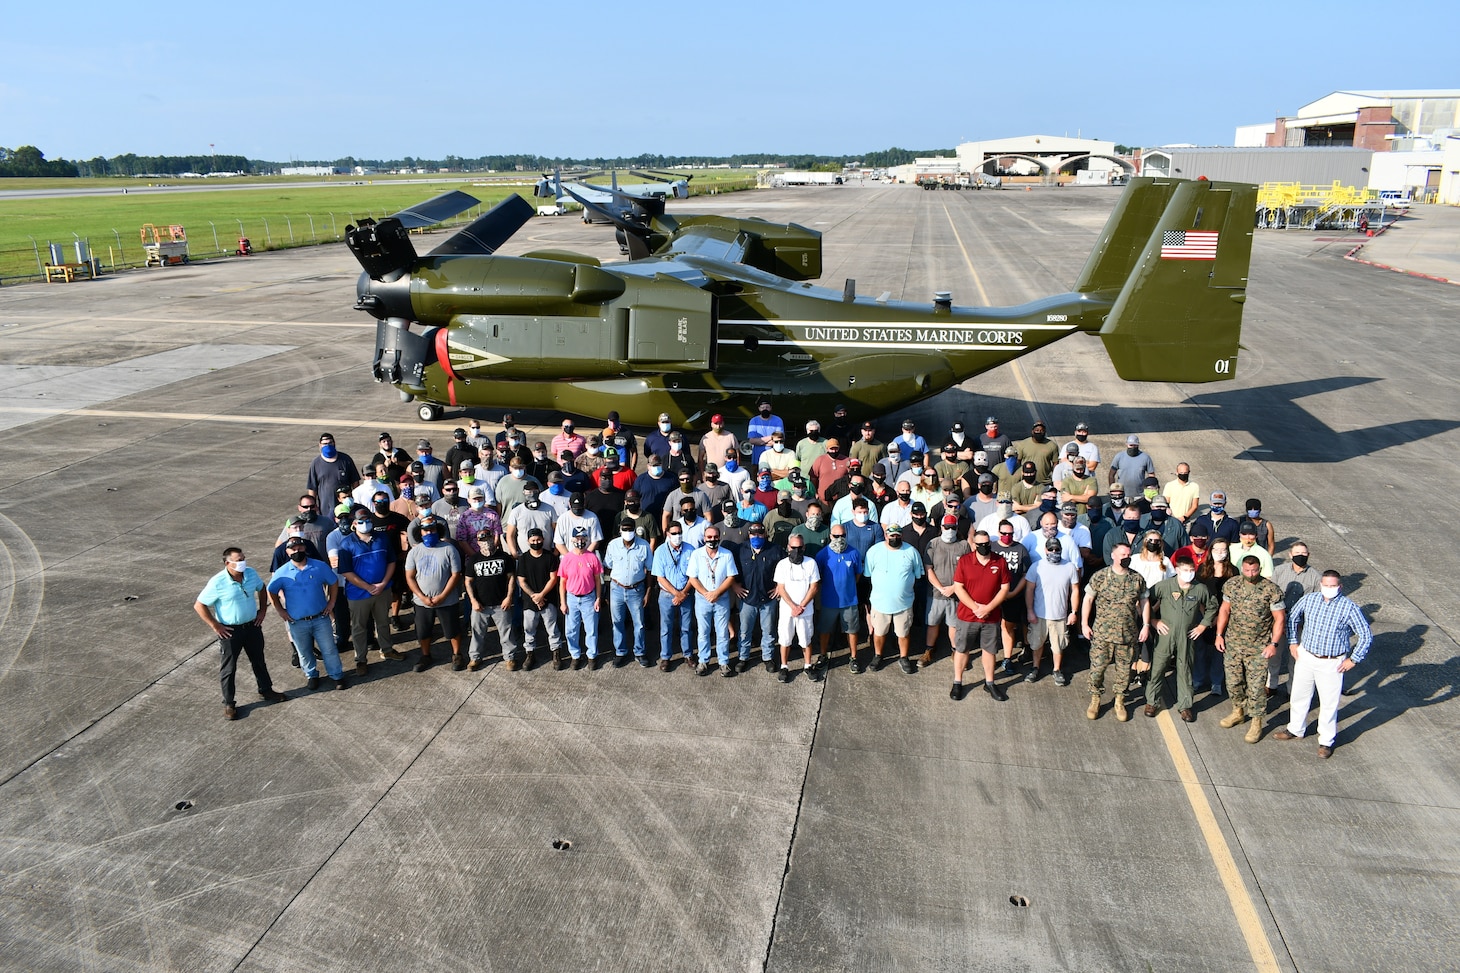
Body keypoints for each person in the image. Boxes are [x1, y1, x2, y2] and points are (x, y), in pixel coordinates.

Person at [1272, 572, 1373, 758]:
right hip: (1307, 656)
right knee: (1299, 695)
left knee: (1329, 703)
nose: (1329, 589)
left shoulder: (1349, 608)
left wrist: (1354, 659)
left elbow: (1365, 635)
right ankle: (1295, 729)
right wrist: (1293, 642)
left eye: (1333, 586)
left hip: (1331, 662)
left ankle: (1326, 741)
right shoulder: (1309, 600)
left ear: (1340, 587)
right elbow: (1293, 617)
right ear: (1320, 584)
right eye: (1326, 585)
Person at [195, 547, 286, 720]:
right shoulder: (217, 582)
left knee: (258, 660)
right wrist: (216, 626)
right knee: (229, 668)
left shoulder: (250, 574)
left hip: (252, 627)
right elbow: (199, 605)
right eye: (239, 560)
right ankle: (229, 703)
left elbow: (261, 588)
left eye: (244, 558)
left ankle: (266, 690)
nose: (243, 562)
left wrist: (262, 612)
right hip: (230, 631)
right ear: (228, 563)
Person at [1214, 556, 1286, 743]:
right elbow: (1224, 610)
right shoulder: (1232, 585)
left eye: (1254, 571)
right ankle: (1238, 711)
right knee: (1233, 682)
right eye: (1247, 570)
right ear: (1242, 568)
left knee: (1256, 688)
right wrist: (1219, 634)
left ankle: (1256, 722)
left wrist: (1274, 644)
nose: (1250, 574)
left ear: (1259, 569)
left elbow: (1279, 619)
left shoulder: (1271, 590)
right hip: (1233, 644)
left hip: (1258, 648)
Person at [1081, 541, 1149, 721]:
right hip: (1102, 634)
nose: (1126, 557)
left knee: (1124, 671)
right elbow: (1088, 600)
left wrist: (1146, 624)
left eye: (1128, 555)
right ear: (1113, 556)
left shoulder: (1137, 579)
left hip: (1127, 634)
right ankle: (1095, 699)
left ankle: (1120, 700)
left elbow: (1144, 602)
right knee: (1097, 669)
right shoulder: (1100, 577)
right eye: (1122, 554)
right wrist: (1084, 624)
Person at [267, 537, 346, 691]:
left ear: (304, 548)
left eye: (299, 548)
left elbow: (333, 582)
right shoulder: (282, 572)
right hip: (297, 621)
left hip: (320, 618)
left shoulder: (319, 566)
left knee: (329, 649)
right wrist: (280, 610)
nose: (297, 551)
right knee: (304, 652)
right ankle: (311, 675)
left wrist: (331, 603)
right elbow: (271, 590)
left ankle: (337, 676)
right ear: (288, 551)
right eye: (293, 549)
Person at [1143, 554, 1215, 722]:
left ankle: (1185, 706)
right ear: (1177, 570)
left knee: (1185, 670)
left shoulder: (1200, 589)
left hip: (1187, 636)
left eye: (1191, 570)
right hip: (1165, 634)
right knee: (1158, 668)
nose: (1189, 573)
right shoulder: (1165, 586)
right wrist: (1153, 620)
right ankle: (1152, 702)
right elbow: (1145, 599)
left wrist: (1203, 625)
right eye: (1185, 570)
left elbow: (1212, 606)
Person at [336, 511, 404, 675]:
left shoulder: (382, 538)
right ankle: (361, 660)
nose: (365, 523)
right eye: (361, 521)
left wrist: (384, 583)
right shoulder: (346, 544)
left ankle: (386, 649)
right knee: (359, 628)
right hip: (358, 594)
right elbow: (346, 572)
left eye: (367, 520)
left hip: (382, 590)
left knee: (383, 622)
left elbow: (391, 561)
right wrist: (367, 587)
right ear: (354, 524)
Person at [950, 530, 1011, 701]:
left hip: (991, 617)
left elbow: (1004, 588)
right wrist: (976, 608)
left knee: (989, 650)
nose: (984, 547)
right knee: (962, 649)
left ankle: (990, 683)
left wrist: (989, 608)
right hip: (967, 616)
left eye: (986, 544)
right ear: (974, 545)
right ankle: (957, 682)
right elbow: (958, 587)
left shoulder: (999, 561)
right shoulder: (965, 561)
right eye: (980, 545)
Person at [405, 515, 464, 672]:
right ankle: (425, 655)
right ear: (420, 533)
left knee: (453, 630)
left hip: (447, 600)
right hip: (421, 601)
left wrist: (443, 595)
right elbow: (410, 577)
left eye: (432, 529)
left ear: (438, 531)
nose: (429, 533)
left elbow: (455, 574)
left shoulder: (449, 549)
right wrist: (422, 597)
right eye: (426, 531)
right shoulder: (414, 552)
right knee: (423, 631)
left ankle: (457, 654)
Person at [1025, 535, 1080, 685]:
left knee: (1058, 645)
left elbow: (1075, 590)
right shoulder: (1036, 566)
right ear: (1045, 550)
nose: (1054, 551)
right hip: (1039, 615)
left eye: (1057, 549)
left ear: (1061, 550)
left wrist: (1073, 612)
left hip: (1060, 616)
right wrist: (1030, 611)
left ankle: (1057, 670)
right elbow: (1029, 590)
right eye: (1051, 549)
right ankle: (1035, 667)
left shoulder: (1069, 567)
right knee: (1036, 643)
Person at [1269, 541, 1321, 695]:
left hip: (1300, 625)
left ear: (1308, 555)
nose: (1300, 556)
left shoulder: (1316, 577)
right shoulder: (1279, 571)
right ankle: (1271, 685)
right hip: (1278, 621)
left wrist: (1301, 623)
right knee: (1274, 655)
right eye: (1297, 553)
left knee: (1296, 660)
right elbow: (1271, 596)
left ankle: (1292, 690)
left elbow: (1316, 605)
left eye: (1304, 554)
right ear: (1290, 555)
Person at [465, 529, 520, 671]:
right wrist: (473, 600)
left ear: (493, 539)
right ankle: (475, 658)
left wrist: (509, 597)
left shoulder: (505, 557)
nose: (486, 543)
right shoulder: (474, 559)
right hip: (480, 605)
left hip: (501, 603)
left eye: (488, 539)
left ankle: (510, 658)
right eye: (482, 540)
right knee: (477, 633)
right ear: (478, 542)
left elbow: (511, 578)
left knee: (506, 632)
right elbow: (468, 581)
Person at [688, 525, 739, 675]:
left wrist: (716, 593)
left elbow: (731, 577)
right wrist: (706, 594)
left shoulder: (727, 554)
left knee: (722, 632)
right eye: (709, 537)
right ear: (704, 538)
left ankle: (723, 662)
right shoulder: (697, 554)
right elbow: (692, 578)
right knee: (703, 632)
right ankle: (703, 661)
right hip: (703, 600)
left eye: (715, 537)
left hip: (721, 599)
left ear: (719, 537)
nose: (712, 540)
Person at [602, 520, 653, 666]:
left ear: (635, 530)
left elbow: (649, 571)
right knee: (617, 622)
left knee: (639, 623)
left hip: (636, 590)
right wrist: (607, 591)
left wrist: (648, 591)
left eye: (630, 529)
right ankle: (620, 651)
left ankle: (640, 652)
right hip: (616, 589)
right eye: (625, 529)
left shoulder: (644, 546)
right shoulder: (613, 545)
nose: (627, 531)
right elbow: (607, 567)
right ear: (620, 529)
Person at [773, 535, 821, 682]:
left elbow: (814, 587)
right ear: (788, 547)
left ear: (804, 548)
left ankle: (807, 665)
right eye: (793, 548)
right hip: (787, 611)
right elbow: (780, 588)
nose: (796, 550)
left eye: (799, 548)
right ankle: (784, 666)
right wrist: (793, 607)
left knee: (806, 639)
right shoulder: (781, 565)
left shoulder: (811, 563)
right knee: (785, 639)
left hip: (805, 611)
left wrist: (801, 606)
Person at [517, 528, 566, 670]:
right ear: (528, 541)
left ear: (543, 540)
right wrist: (535, 596)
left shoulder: (550, 557)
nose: (536, 542)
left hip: (548, 599)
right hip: (529, 601)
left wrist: (541, 595)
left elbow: (553, 579)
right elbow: (522, 581)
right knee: (529, 629)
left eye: (538, 540)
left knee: (552, 629)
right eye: (533, 540)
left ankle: (556, 654)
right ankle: (530, 654)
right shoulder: (523, 558)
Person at [816, 524, 863, 669]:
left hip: (849, 601)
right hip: (828, 601)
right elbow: (818, 576)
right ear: (830, 536)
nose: (839, 539)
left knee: (852, 630)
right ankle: (823, 655)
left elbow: (858, 574)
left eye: (842, 535)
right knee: (825, 630)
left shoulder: (854, 553)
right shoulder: (822, 554)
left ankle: (853, 657)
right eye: (836, 536)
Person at [559, 527, 605, 669]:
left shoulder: (592, 557)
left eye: (583, 538)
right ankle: (575, 655)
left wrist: (598, 598)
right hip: (572, 598)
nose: (581, 541)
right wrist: (563, 602)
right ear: (573, 539)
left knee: (591, 629)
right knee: (571, 630)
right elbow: (562, 582)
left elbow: (598, 579)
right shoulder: (566, 558)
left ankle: (591, 656)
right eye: (578, 538)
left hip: (588, 598)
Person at [652, 521, 696, 670]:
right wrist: (676, 593)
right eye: (674, 533)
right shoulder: (660, 551)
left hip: (687, 594)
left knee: (686, 626)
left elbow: (693, 575)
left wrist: (683, 593)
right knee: (666, 627)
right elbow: (660, 577)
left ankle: (688, 654)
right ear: (668, 534)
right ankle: (665, 657)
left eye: (679, 533)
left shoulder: (690, 549)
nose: (677, 536)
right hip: (666, 595)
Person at [307, 432, 360, 507]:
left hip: (345, 505)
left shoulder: (345, 460)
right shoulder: (316, 463)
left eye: (330, 443)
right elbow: (312, 488)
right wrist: (312, 506)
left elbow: (355, 483)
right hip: (326, 507)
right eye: (324, 444)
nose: (327, 446)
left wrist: (356, 500)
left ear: (334, 443)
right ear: (320, 445)